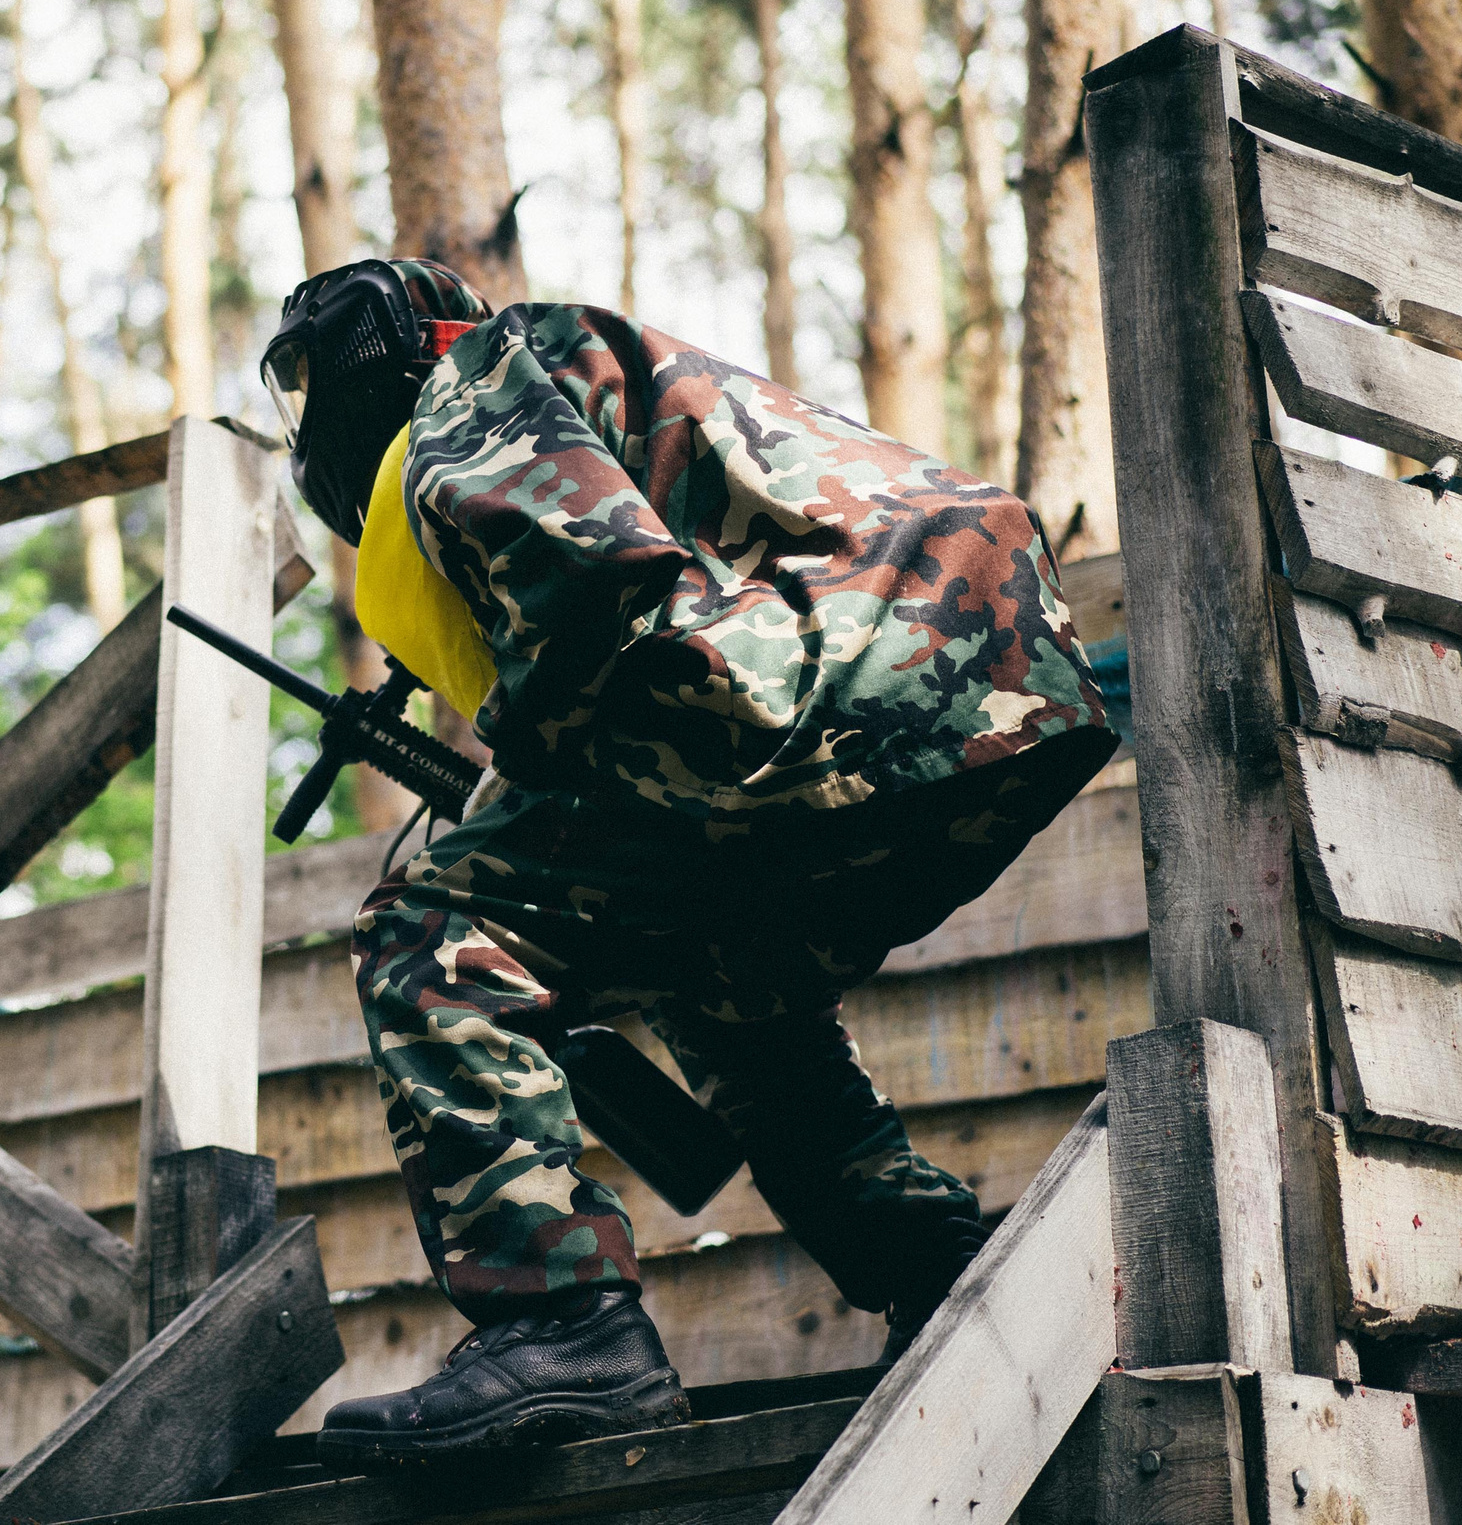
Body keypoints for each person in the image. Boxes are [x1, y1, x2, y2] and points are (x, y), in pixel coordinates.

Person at [258, 259, 1116, 1468]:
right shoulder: (585, 372)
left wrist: (517, 760)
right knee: (729, 984)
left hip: (821, 679)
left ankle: (564, 1327)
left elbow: (592, 588)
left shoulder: (466, 386)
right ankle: (941, 1276)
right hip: (994, 705)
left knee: (427, 934)